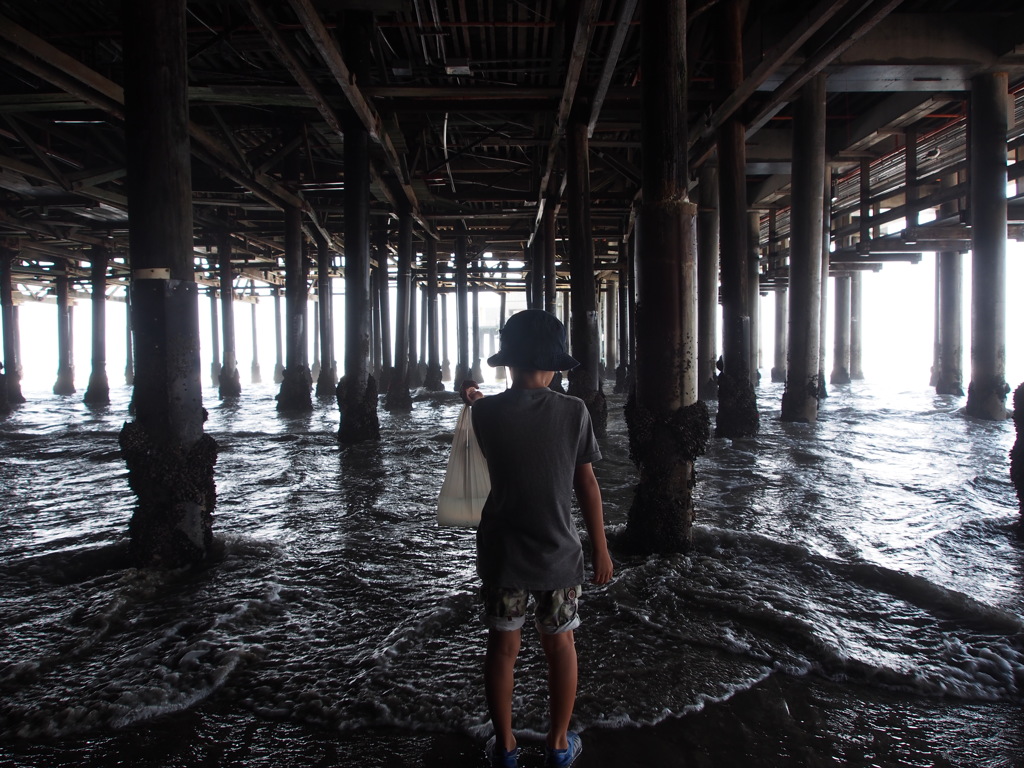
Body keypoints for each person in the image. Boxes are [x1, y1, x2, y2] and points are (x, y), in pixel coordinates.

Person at [460, 309, 614, 768]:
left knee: (503, 649)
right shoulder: (574, 412)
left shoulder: (484, 413)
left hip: (503, 555)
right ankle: (559, 743)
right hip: (559, 557)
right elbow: (587, 485)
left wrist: (470, 394)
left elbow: (486, 411)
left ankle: (505, 747)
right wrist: (600, 548)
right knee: (561, 646)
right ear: (554, 364)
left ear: (509, 360)